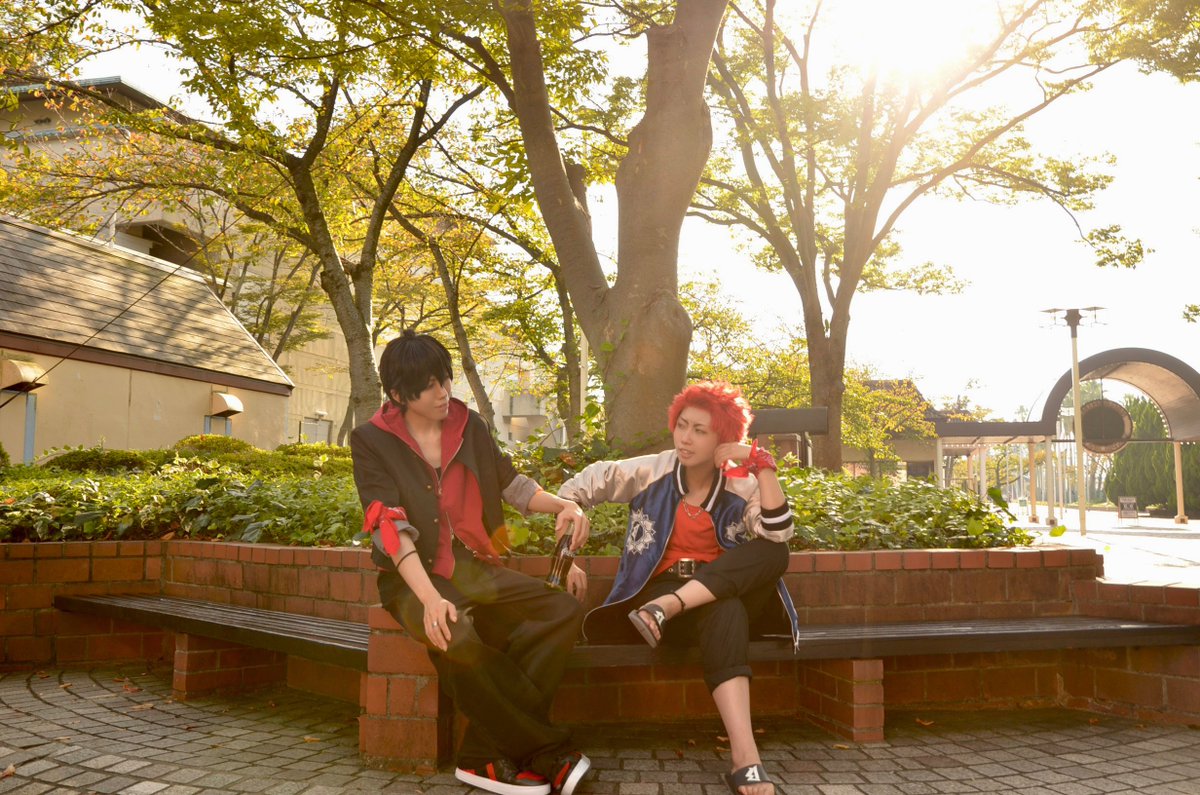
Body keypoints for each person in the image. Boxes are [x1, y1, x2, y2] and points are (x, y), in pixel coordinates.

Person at [351, 330, 592, 795]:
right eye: (429, 387)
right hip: (411, 579)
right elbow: (389, 526)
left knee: (560, 608)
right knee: (456, 635)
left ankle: (481, 753)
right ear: (399, 394)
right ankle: (547, 751)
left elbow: (512, 485)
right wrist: (429, 600)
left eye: (444, 379)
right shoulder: (371, 440)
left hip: (472, 568)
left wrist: (565, 505)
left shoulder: (470, 425)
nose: (443, 392)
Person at [557, 381, 798, 795]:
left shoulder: (742, 485)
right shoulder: (652, 471)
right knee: (727, 607)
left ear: (723, 439)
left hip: (710, 596)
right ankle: (747, 760)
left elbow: (778, 531)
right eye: (682, 425)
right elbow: (577, 488)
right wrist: (567, 550)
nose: (685, 438)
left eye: (700, 430)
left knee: (774, 554)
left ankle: (743, 754)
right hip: (657, 600)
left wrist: (761, 463)